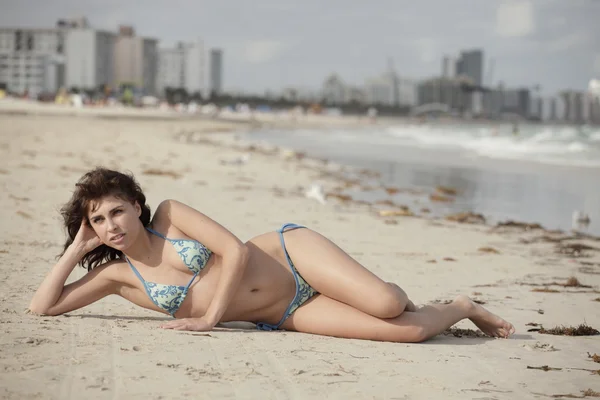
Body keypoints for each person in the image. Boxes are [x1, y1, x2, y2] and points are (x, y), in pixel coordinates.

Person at [29, 168, 515, 342]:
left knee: (389, 304)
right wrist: (74, 251)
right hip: (285, 312)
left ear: (137, 206)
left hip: (291, 256)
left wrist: (208, 320)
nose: (110, 226)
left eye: (117, 211)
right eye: (97, 220)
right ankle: (462, 307)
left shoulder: (172, 216)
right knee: (407, 332)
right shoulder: (119, 276)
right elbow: (43, 308)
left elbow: (236, 252)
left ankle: (393, 292)